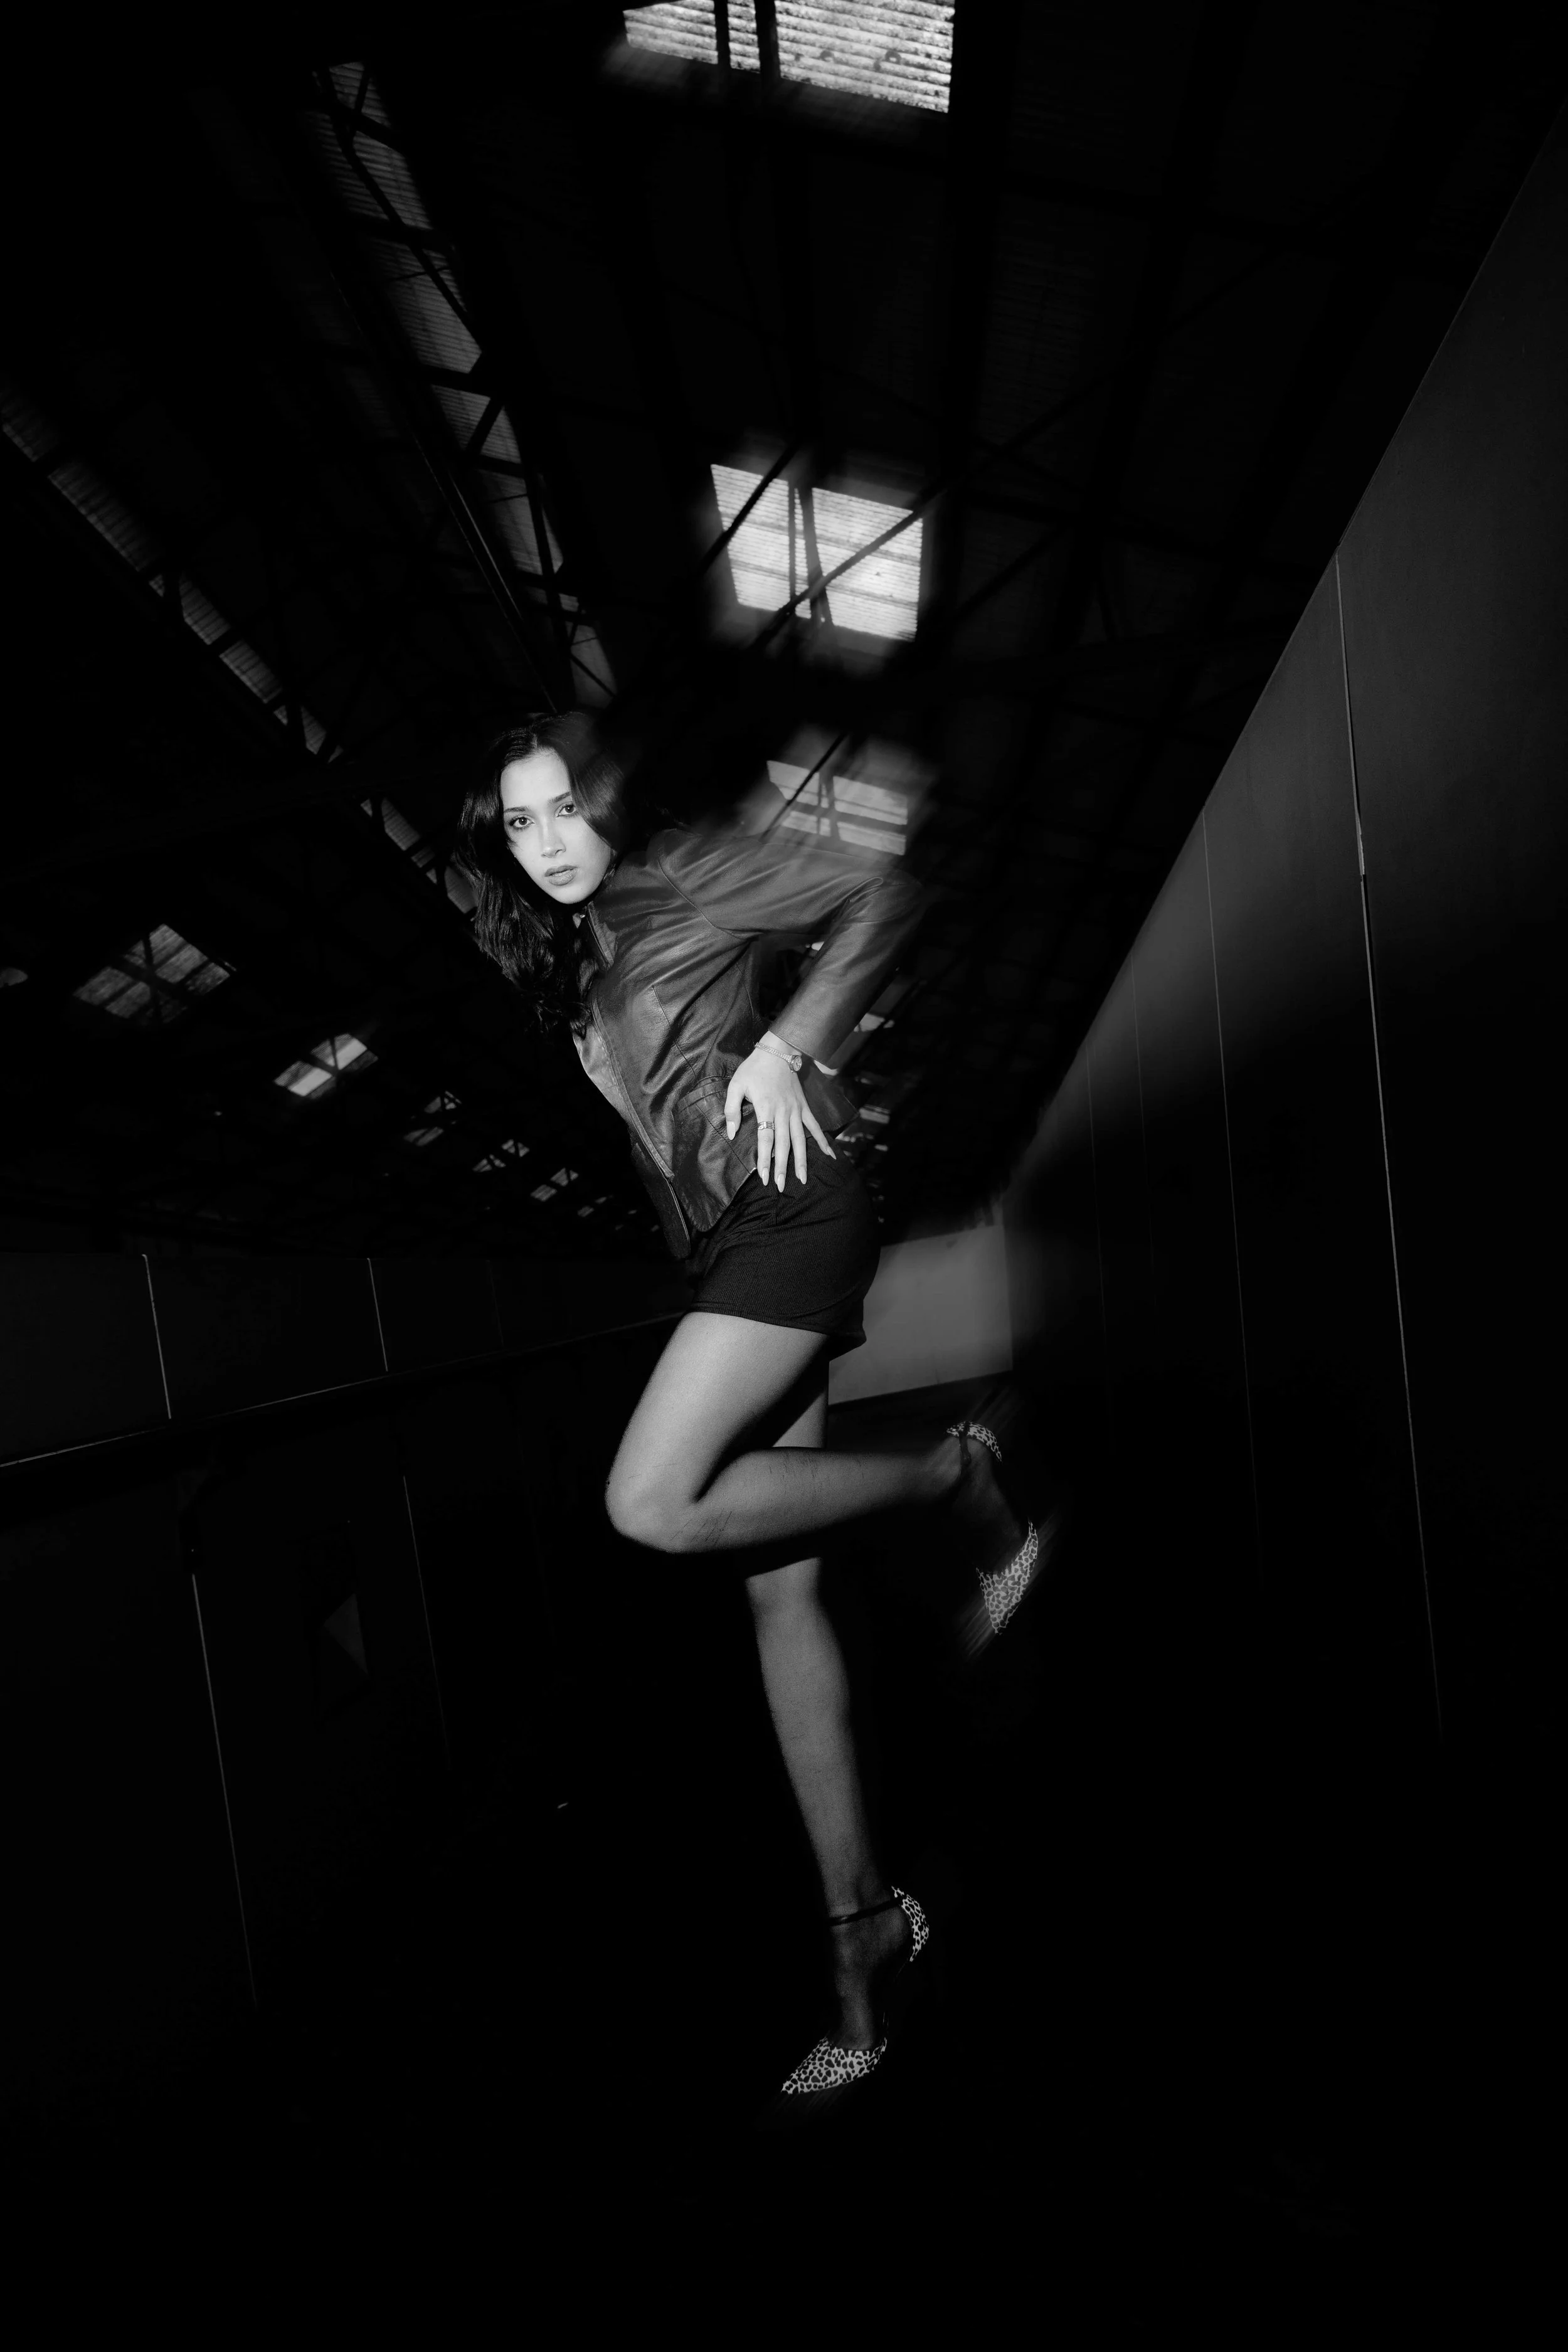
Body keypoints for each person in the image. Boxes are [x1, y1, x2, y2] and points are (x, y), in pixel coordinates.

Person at [457, 709, 1043, 2109]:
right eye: (518, 823)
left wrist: (789, 1040)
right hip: (728, 1248)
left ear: (607, 800)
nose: (547, 844)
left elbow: (887, 885)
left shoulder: (683, 875)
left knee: (647, 1499)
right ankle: (861, 1937)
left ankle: (950, 1483)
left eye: (563, 810)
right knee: (779, 1600)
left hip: (795, 1208)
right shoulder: (583, 954)